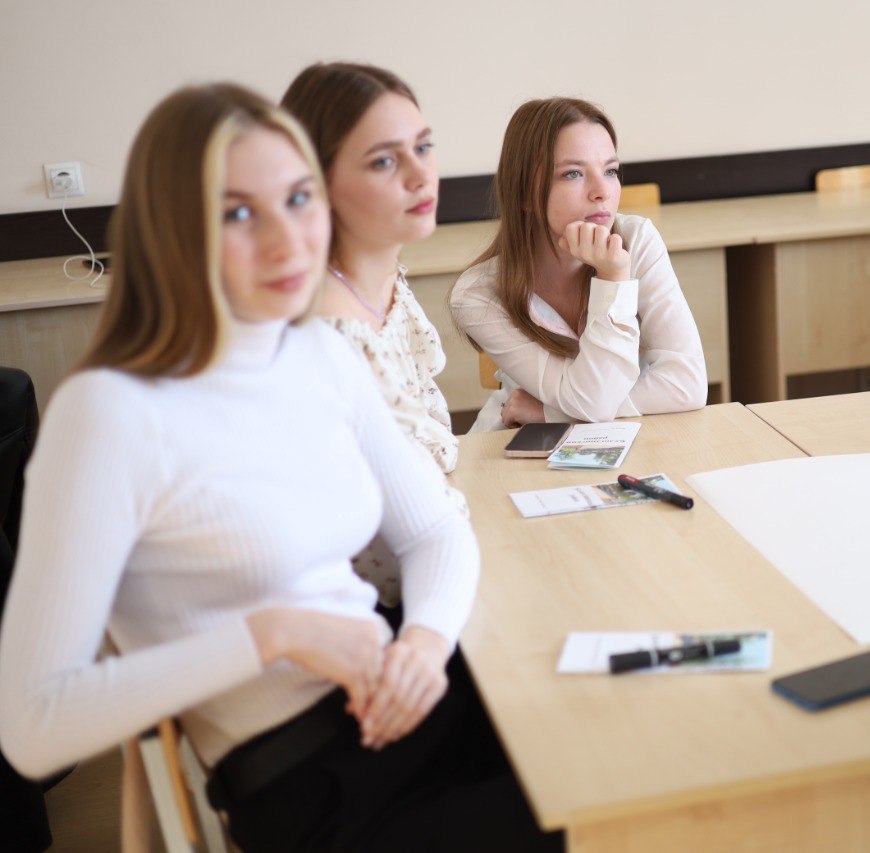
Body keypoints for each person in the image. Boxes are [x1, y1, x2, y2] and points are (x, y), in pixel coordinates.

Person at [0, 84, 552, 851]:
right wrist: (273, 633)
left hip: (412, 696)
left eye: (298, 199)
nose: (287, 240)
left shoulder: (317, 352)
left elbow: (435, 532)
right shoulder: (110, 412)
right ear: (175, 232)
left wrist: (424, 642)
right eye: (237, 213)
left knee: (650, 741)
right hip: (314, 781)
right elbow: (31, 727)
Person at [282, 62, 466, 610]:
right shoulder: (326, 332)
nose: (420, 175)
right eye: (385, 161)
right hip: (364, 614)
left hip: (432, 570)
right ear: (316, 184)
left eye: (423, 147)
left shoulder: (386, 285)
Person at [450, 97, 707, 431]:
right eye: (573, 173)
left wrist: (551, 413)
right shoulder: (477, 293)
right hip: (516, 438)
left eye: (610, 171)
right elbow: (595, 401)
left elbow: (687, 385)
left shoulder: (637, 239)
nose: (602, 191)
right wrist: (613, 279)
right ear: (525, 193)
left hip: (616, 433)